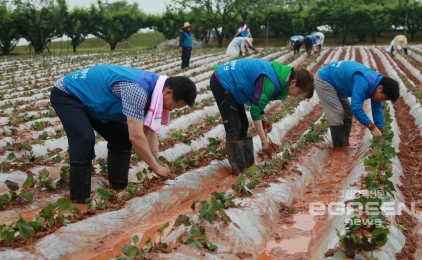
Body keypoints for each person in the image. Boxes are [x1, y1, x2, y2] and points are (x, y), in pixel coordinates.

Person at [50, 65, 197, 203]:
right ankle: (80, 199)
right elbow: (136, 135)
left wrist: (157, 161)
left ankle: (117, 187)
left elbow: (150, 130)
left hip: (94, 100)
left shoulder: (156, 92)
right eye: (174, 106)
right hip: (69, 94)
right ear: (168, 92)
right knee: (84, 139)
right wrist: (155, 167)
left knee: (121, 137)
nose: (171, 110)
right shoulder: (138, 90)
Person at [210, 59, 315, 175]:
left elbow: (258, 99)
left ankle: (248, 166)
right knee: (234, 127)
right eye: (299, 92)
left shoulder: (279, 79)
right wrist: (264, 140)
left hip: (233, 83)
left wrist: (263, 117)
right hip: (223, 82)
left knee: (243, 125)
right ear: (293, 82)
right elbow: (254, 110)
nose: (295, 96)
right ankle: (238, 171)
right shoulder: (272, 80)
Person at [314, 60, 400, 150]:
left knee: (347, 113)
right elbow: (356, 108)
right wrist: (372, 127)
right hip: (324, 80)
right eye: (383, 98)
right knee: (337, 113)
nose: (381, 100)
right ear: (380, 88)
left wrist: (379, 127)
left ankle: (344, 143)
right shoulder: (364, 81)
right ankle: (339, 148)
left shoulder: (377, 83)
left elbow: (377, 108)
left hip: (337, 83)